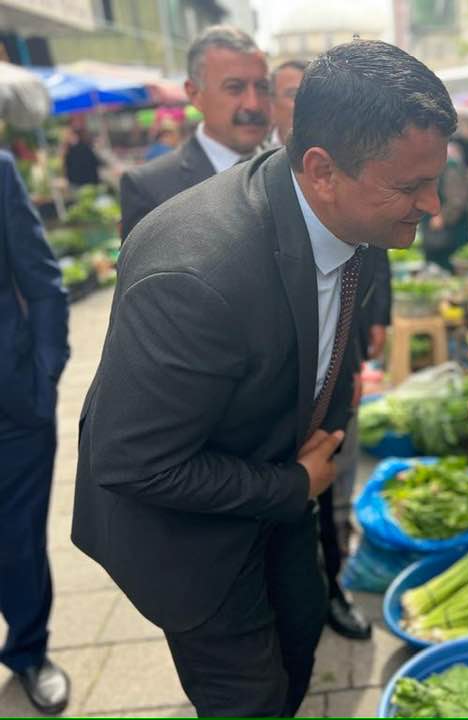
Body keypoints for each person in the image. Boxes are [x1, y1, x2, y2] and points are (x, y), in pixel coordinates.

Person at [71, 39, 454, 717]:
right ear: (322, 169)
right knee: (253, 699)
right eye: (411, 187)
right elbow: (131, 464)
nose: (434, 205)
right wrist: (292, 484)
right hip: (191, 540)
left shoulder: (349, 217)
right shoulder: (199, 277)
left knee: (301, 647)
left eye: (435, 180)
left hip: (273, 491)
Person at [266, 54, 389, 641]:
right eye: (286, 94)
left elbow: (375, 246)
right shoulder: (248, 190)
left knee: (331, 490)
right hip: (262, 397)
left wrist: (369, 336)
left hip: (335, 373)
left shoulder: (357, 180)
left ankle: (330, 587)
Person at [0, 152, 71, 714]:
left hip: (12, 407)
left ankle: (27, 652)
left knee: (18, 542)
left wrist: (45, 373)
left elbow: (43, 280)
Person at [119, 25, 271, 241]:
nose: (253, 104)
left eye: (262, 87)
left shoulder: (291, 169)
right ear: (194, 94)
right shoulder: (150, 187)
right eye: (235, 88)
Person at [420, 141, 468, 270]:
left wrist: (443, 217)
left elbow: (457, 200)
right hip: (437, 226)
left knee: (451, 264)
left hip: (451, 230)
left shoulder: (450, 168)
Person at [269, 59, 308, 147]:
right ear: (271, 103)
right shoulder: (253, 153)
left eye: (312, 94)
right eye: (294, 94)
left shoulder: (335, 152)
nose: (305, 103)